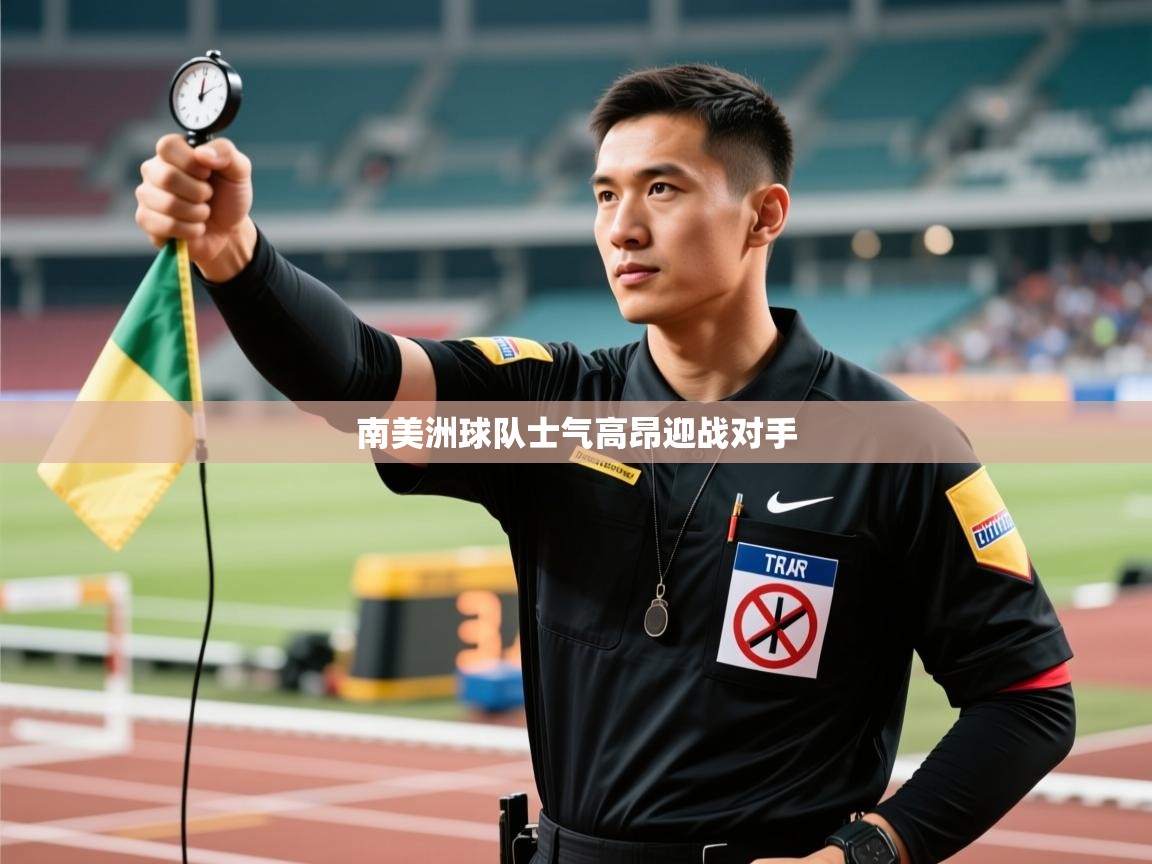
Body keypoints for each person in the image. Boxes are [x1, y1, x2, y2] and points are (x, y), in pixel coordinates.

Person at [135, 64, 1075, 864]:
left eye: (661, 190)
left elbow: (1027, 699)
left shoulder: (895, 445)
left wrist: (867, 854)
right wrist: (236, 256)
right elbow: (360, 377)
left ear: (763, 215)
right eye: (604, 194)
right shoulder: (550, 408)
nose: (622, 227)